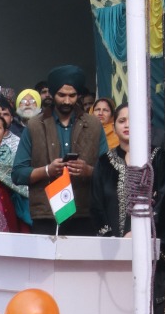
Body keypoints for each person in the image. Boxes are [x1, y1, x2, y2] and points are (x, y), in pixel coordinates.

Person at [91, 103, 165, 314]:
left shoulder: (158, 159)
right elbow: (98, 206)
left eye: (133, 120)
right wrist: (114, 238)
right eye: (121, 120)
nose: (127, 125)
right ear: (114, 126)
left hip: (154, 257)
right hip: (115, 256)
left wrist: (142, 233)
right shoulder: (104, 163)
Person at [13, 65, 106, 236]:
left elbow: (108, 173)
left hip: (83, 214)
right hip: (46, 214)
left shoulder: (93, 125)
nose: (67, 101)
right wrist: (47, 170)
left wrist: (88, 171)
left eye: (72, 95)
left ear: (78, 95)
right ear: (53, 94)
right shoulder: (34, 126)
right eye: (61, 95)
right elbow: (18, 174)